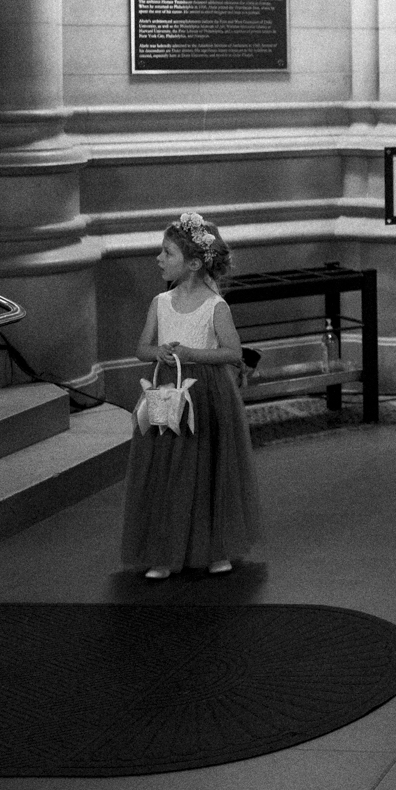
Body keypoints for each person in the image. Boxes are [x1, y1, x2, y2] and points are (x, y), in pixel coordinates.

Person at [120, 211, 262, 580]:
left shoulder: (215, 306)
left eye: (167, 253)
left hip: (208, 396)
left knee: (208, 469)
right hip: (168, 391)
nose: (159, 259)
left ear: (195, 263)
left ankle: (215, 547)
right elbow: (141, 348)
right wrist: (161, 352)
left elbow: (233, 352)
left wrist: (192, 354)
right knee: (166, 471)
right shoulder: (159, 303)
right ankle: (164, 552)